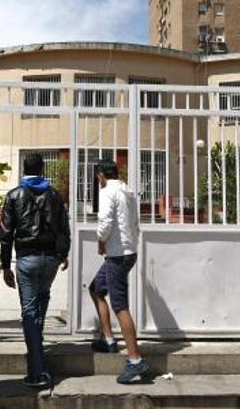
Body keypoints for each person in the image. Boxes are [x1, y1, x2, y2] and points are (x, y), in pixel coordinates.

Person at [0, 152, 71, 389]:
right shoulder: (54, 195)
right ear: (42, 170)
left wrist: (6, 265)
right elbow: (64, 226)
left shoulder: (13, 195)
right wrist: (63, 254)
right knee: (40, 305)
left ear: (24, 168)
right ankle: (36, 355)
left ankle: (38, 370)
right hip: (50, 259)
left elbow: (6, 233)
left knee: (30, 311)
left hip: (26, 259)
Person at [89, 160, 149, 384]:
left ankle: (135, 361)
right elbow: (135, 222)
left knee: (120, 306)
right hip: (127, 251)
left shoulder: (107, 192)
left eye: (98, 177)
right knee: (96, 288)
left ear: (102, 175)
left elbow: (104, 222)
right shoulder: (128, 191)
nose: (98, 181)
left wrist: (101, 241)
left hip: (117, 254)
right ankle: (108, 339)